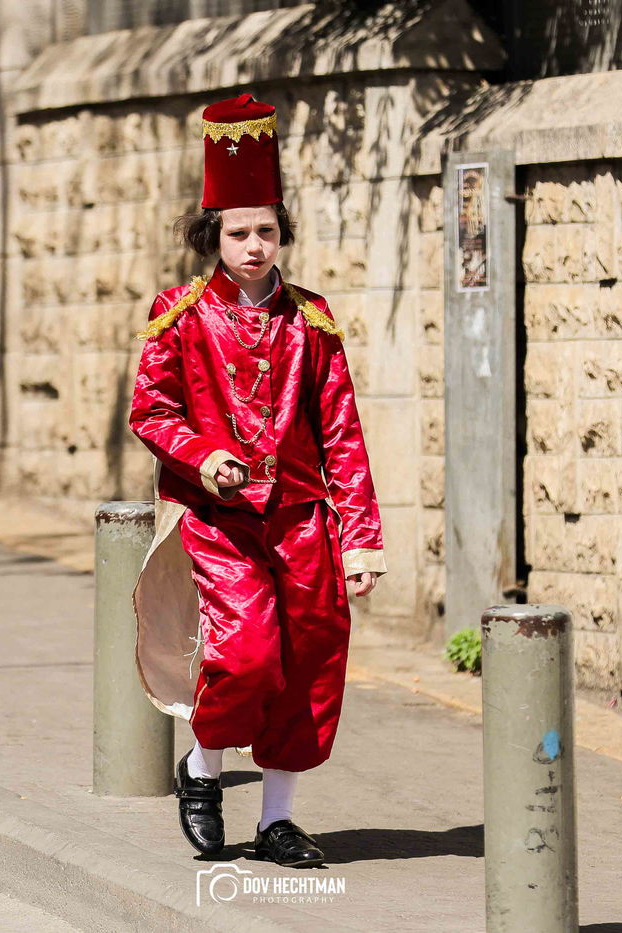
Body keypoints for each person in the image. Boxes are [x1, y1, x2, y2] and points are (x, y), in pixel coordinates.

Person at [128, 92, 386, 869]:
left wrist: (361, 540)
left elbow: (342, 431)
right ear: (215, 236)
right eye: (239, 233)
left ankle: (277, 818)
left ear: (282, 235)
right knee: (245, 654)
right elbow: (151, 409)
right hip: (219, 521)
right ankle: (202, 767)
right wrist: (200, 453)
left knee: (308, 662)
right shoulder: (177, 315)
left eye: (266, 232)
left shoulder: (315, 321)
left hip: (305, 522)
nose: (253, 246)